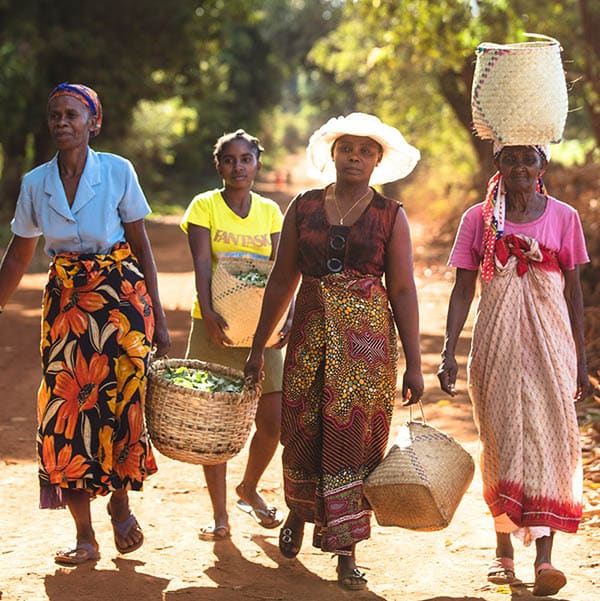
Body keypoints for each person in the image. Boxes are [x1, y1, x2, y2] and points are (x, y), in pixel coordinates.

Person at [244, 112, 424, 591]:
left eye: (366, 151)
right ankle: (300, 515)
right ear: (332, 154)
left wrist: (415, 364)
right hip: (309, 338)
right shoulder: (302, 208)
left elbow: (403, 290)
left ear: (378, 161)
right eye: (347, 148)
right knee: (301, 430)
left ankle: (346, 551)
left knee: (356, 443)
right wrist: (258, 347)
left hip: (366, 351)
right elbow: (282, 280)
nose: (355, 157)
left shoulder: (391, 215)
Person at [0, 83, 170, 565]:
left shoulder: (117, 171)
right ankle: (85, 536)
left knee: (121, 407)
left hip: (121, 301)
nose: (61, 122)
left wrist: (155, 315)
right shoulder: (36, 183)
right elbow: (18, 255)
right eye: (54, 114)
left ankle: (119, 501)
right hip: (68, 306)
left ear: (94, 123)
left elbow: (142, 247)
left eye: (72, 115)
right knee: (66, 413)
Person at [437, 143, 590, 597]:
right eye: (510, 158)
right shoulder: (478, 220)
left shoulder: (565, 218)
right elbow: (463, 288)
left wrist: (581, 360)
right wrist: (449, 349)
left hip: (552, 348)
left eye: (529, 159)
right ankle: (502, 554)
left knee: (552, 439)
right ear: (497, 165)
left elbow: (575, 294)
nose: (519, 167)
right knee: (500, 440)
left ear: (542, 166)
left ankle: (545, 559)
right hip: (496, 347)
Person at [180, 129, 291, 541]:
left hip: (263, 330)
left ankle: (249, 487)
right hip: (216, 329)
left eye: (246, 159)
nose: (238, 166)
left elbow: (283, 271)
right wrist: (207, 313)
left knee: (274, 421)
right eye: (229, 159)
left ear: (257, 164)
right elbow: (202, 264)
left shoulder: (270, 212)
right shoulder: (203, 206)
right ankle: (220, 514)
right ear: (219, 165)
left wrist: (287, 317)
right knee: (216, 424)